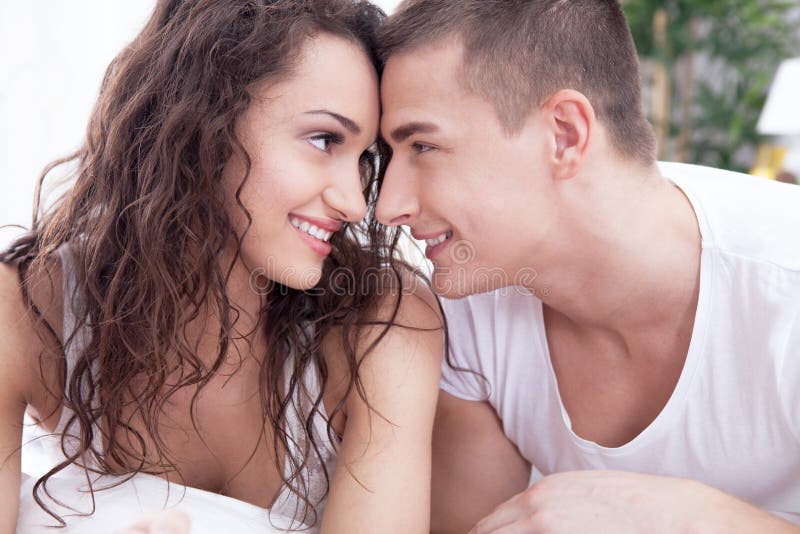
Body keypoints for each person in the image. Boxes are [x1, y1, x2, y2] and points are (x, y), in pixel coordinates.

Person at [1, 1, 442, 532]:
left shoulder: (381, 324)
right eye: (324, 140)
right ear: (201, 121)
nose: (354, 201)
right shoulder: (25, 310)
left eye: (364, 159)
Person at [375, 0, 800, 532]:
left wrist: (692, 520)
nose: (389, 205)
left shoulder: (786, 288)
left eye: (424, 145)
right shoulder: (468, 303)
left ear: (565, 134)